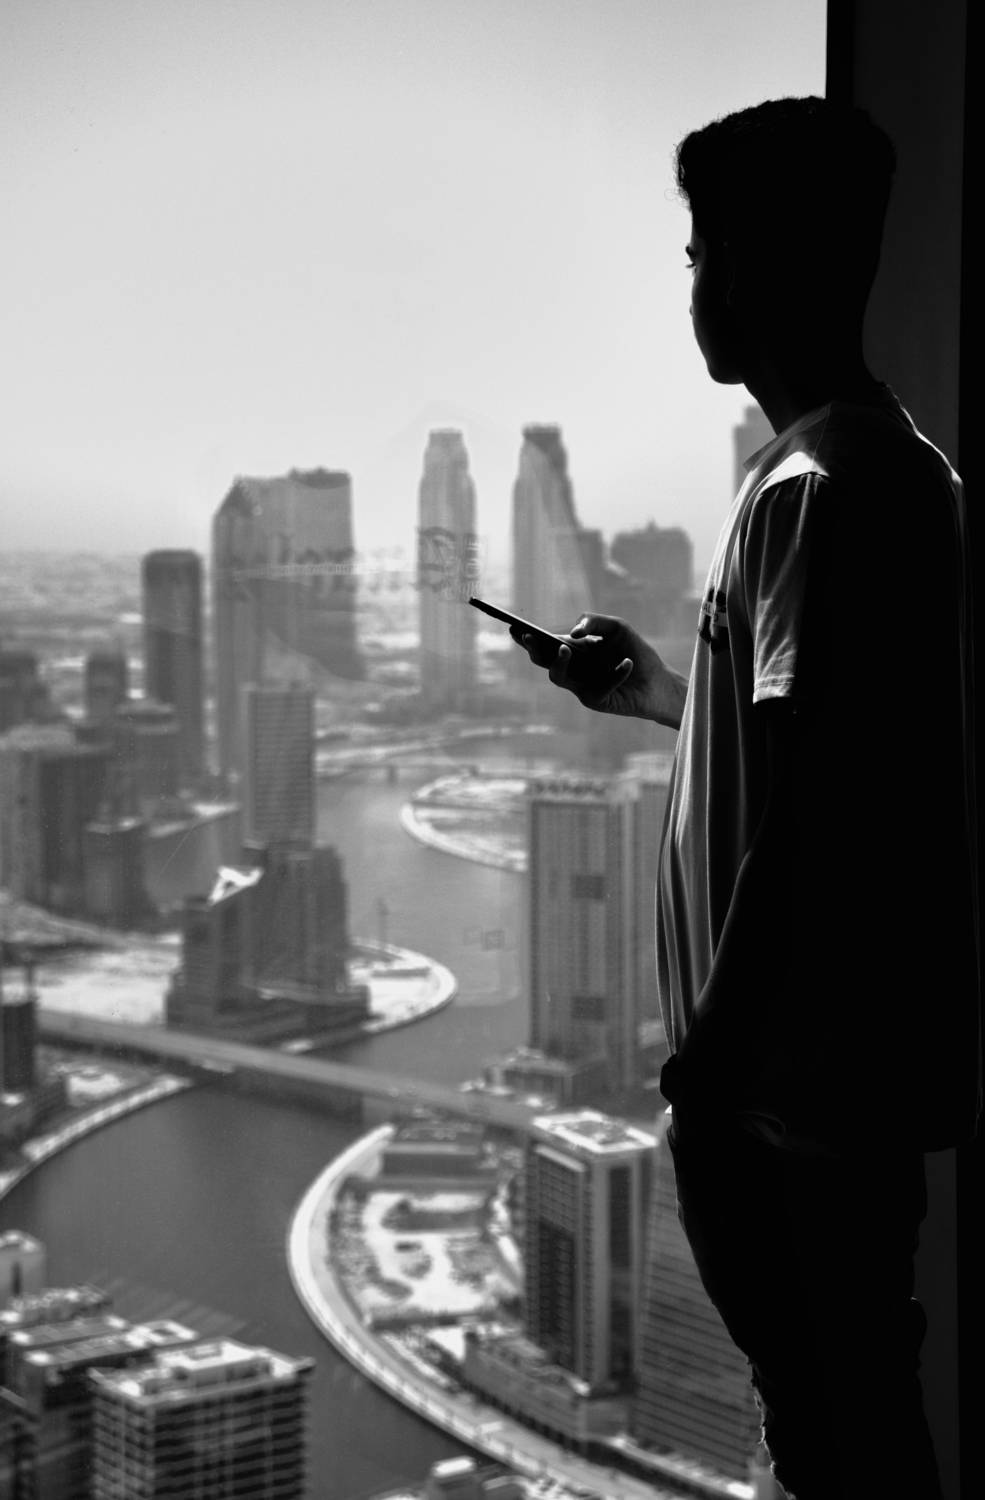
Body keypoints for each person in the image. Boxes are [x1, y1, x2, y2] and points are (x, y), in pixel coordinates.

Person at [511, 96, 980, 1500]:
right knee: (844, 1416)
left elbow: (820, 805)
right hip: (820, 1096)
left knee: (841, 1436)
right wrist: (663, 694)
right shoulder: (885, 470)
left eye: (701, 251)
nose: (694, 284)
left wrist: (709, 1074)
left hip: (790, 1109)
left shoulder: (817, 490)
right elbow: (814, 740)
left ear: (761, 270)